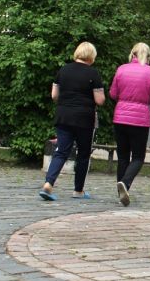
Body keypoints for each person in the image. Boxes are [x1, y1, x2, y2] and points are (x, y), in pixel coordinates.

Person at [40, 41, 105, 201]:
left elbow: (54, 95)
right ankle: (78, 190)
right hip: (84, 118)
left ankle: (49, 183)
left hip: (64, 115)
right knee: (83, 154)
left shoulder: (63, 70)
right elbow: (99, 100)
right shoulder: (93, 73)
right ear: (92, 56)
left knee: (61, 151)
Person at [109, 42, 150, 206]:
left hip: (120, 118)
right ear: (148, 56)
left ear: (132, 54)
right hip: (140, 120)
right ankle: (125, 183)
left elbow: (113, 93)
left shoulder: (121, 69)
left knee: (123, 157)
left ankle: (121, 194)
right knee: (138, 157)